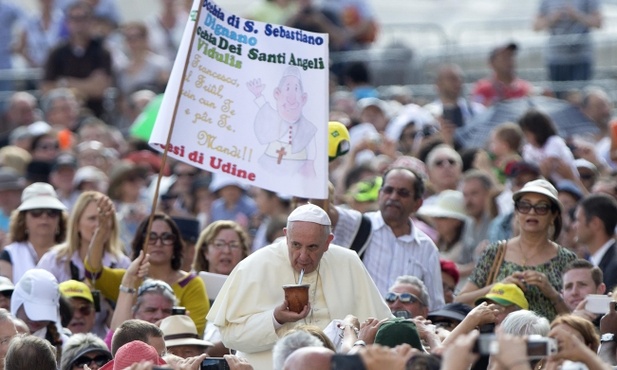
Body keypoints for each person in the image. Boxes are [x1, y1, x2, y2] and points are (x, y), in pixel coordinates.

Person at [206, 204, 391, 370]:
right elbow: (230, 336)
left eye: (312, 247)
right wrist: (275, 319)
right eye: (295, 245)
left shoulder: (348, 262)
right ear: (286, 236)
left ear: (328, 242)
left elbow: (381, 325)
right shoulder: (255, 265)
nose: (303, 256)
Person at [456, 179, 577, 321]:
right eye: (524, 206)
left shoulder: (567, 260)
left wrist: (552, 294)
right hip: (498, 340)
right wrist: (498, 288)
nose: (532, 212)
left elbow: (577, 319)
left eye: (541, 207)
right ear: (516, 213)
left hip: (549, 340)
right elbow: (460, 301)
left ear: (553, 215)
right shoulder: (495, 252)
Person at [86, 211, 209, 336]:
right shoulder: (128, 279)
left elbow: (194, 331)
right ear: (141, 243)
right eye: (151, 237)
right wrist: (100, 232)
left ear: (176, 245)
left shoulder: (192, 284)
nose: (159, 243)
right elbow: (93, 272)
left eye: (167, 237)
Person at [40, 1, 113, 117]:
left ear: (91, 21)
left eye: (82, 18)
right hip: (62, 117)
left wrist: (65, 83)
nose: (78, 23)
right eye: (73, 18)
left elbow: (99, 88)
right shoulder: (57, 52)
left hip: (95, 115)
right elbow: (46, 88)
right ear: (67, 22)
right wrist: (86, 85)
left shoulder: (102, 51)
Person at [38, 191, 130, 283]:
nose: (99, 225)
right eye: (92, 218)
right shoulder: (54, 261)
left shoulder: (122, 264)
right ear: (77, 224)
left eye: (105, 218)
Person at [247, 66, 317, 177]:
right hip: (270, 162)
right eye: (287, 89)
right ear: (277, 94)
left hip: (297, 166)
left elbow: (311, 151)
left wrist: (310, 164)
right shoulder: (273, 118)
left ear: (303, 98)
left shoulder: (308, 127)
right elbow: (265, 111)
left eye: (296, 89)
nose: (291, 97)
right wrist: (258, 95)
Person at [0, 182, 67, 283]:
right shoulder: (10, 254)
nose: (44, 217)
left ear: (60, 219)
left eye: (51, 212)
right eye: (36, 212)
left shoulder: (70, 254)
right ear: (23, 219)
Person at [533, 0, 602, 85]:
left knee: (578, 95)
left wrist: (577, 15)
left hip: (581, 57)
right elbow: (536, 26)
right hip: (556, 58)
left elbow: (598, 23)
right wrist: (553, 18)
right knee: (559, 95)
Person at [574, 193, 617, 291]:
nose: (574, 226)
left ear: (595, 223)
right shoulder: (591, 260)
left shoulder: (614, 267)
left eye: (578, 220)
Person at [471, 42, 533, 106]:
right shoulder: (483, 88)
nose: (509, 60)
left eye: (511, 56)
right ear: (492, 63)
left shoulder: (525, 88)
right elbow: (477, 110)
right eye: (504, 57)